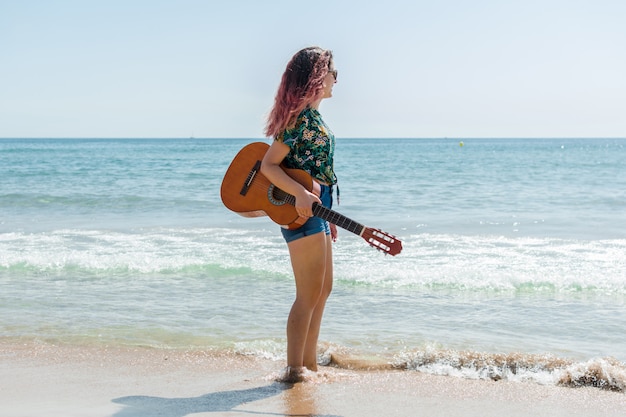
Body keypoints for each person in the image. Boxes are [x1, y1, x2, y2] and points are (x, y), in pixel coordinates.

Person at [261, 46, 338, 383]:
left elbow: (315, 172)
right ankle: (294, 369)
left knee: (323, 290)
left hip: (321, 211)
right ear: (320, 77)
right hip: (301, 211)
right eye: (334, 71)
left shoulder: (314, 119)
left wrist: (330, 216)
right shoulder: (300, 121)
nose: (337, 79)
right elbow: (268, 165)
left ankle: (310, 365)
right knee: (307, 293)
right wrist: (301, 194)